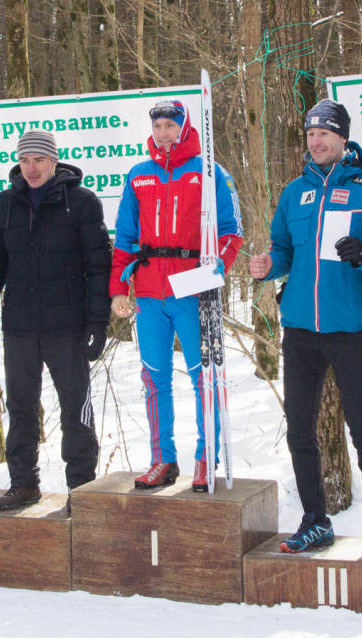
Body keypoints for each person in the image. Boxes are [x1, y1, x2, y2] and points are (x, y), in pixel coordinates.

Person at [249, 98, 362, 560]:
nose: (316, 141)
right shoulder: (294, 192)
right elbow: (283, 251)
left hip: (350, 327)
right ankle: (315, 521)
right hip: (300, 327)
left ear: (343, 139)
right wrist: (268, 266)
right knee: (299, 428)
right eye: (310, 134)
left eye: (324, 134)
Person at [0, 130, 111, 511]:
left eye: (39, 160)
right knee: (21, 408)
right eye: (24, 160)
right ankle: (23, 483)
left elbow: (99, 266)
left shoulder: (81, 203)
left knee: (75, 410)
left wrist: (99, 321)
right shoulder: (6, 203)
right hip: (19, 326)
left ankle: (81, 493)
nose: (31, 168)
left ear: (54, 160)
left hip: (67, 326)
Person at [109, 99, 243, 493]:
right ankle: (162, 458)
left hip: (192, 290)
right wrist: (119, 288)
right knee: (154, 378)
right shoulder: (139, 176)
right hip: (150, 293)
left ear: (184, 129)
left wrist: (216, 266)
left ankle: (206, 458)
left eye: (171, 125)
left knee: (204, 378)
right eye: (158, 126)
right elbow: (125, 238)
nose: (163, 133)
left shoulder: (208, 172)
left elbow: (231, 230)